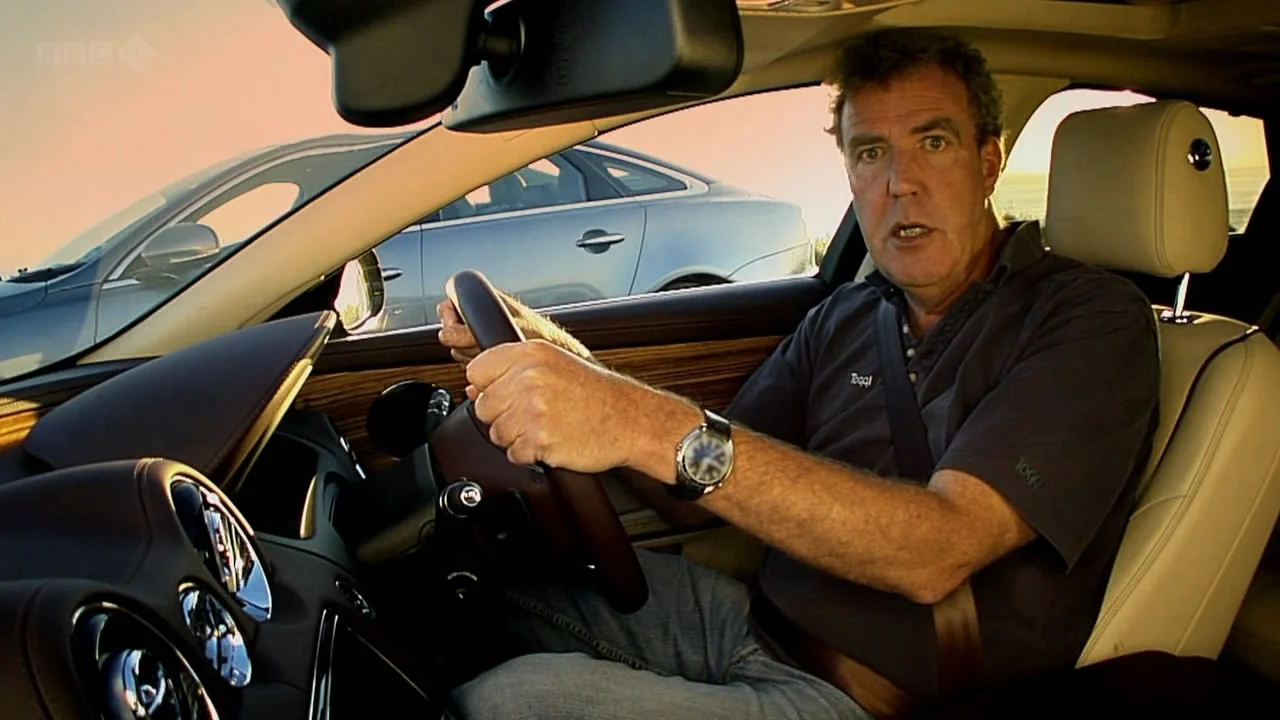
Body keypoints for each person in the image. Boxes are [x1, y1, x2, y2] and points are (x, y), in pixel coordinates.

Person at [438, 27, 1160, 720]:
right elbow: (698, 484)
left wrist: (637, 421)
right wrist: (555, 356)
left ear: (989, 162)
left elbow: (940, 552)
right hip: (756, 620)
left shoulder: (1087, 322)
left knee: (505, 705)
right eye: (871, 152)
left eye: (934, 142)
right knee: (480, 583)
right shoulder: (849, 314)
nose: (901, 183)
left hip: (873, 696)